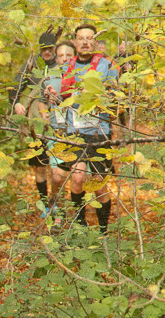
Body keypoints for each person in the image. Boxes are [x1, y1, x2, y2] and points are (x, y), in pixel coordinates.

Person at [47, 24, 119, 234]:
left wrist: (97, 90)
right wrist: (54, 95)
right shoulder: (68, 67)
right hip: (75, 132)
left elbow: (114, 94)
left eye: (90, 38)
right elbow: (65, 99)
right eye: (81, 38)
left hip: (99, 132)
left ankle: (104, 231)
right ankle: (80, 226)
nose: (86, 42)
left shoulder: (105, 65)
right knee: (77, 178)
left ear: (95, 42)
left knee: (99, 184)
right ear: (75, 42)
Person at [8, 27, 61, 212]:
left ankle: (56, 203)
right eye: (43, 48)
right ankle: (45, 205)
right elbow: (14, 87)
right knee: (40, 168)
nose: (47, 52)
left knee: (58, 170)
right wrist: (16, 104)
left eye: (50, 48)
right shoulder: (31, 65)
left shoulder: (63, 65)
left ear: (56, 48)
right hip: (35, 127)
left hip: (58, 126)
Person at [41, 40, 77, 215]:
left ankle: (78, 217)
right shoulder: (50, 76)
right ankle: (56, 210)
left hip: (79, 134)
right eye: (61, 55)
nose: (64, 59)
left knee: (78, 178)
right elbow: (41, 101)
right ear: (56, 58)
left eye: (68, 55)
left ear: (74, 56)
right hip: (56, 133)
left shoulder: (83, 75)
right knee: (57, 177)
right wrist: (44, 114)